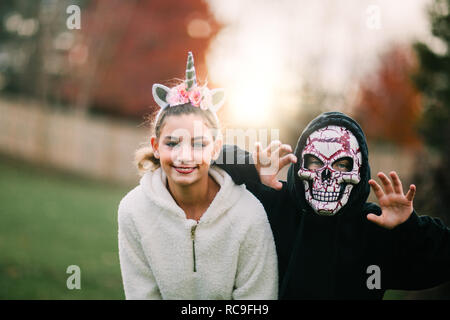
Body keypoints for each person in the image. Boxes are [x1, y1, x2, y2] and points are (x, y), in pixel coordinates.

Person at [216, 111, 450, 299]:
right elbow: (208, 156)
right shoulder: (276, 205)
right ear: (300, 166)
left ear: (359, 170)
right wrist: (251, 168)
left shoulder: (375, 227)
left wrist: (408, 227)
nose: (326, 176)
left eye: (341, 165)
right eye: (315, 162)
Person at [117, 52, 278, 300]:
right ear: (156, 146)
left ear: (215, 148)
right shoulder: (133, 210)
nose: (184, 156)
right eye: (172, 143)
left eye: (198, 144)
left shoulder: (249, 215)